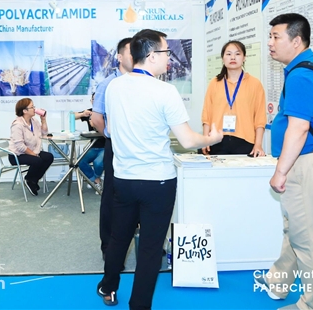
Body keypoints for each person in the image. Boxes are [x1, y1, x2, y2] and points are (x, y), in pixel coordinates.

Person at [97, 29, 223, 308]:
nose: (170, 57)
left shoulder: (114, 86)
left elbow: (110, 130)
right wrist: (212, 139)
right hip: (158, 182)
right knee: (151, 248)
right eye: (167, 52)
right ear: (152, 55)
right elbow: (188, 140)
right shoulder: (165, 91)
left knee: (119, 236)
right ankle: (139, 305)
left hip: (124, 179)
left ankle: (108, 286)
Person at [254, 13, 313, 310]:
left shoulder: (302, 76)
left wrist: (280, 172)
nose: (270, 42)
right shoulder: (311, 67)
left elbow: (299, 128)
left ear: (296, 40)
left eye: (276, 36)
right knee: (296, 229)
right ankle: (278, 282)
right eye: (270, 36)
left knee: (310, 242)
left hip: (306, 166)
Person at [91, 37, 133, 259]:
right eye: (130, 52)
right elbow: (97, 119)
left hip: (137, 147)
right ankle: (108, 247)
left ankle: (141, 240)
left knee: (138, 193)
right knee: (111, 196)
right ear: (119, 56)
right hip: (115, 146)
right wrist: (112, 135)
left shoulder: (143, 82)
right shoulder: (108, 84)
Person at [202, 40, 267, 156]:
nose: (233, 57)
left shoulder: (255, 84)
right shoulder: (214, 83)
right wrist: (205, 139)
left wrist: (258, 144)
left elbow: (260, 118)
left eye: (237, 54)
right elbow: (207, 114)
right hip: (216, 141)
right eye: (228, 54)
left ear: (244, 58)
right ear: (223, 58)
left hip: (245, 142)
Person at [8, 98, 54, 196]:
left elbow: (44, 133)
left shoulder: (34, 121)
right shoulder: (17, 125)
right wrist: (33, 154)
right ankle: (29, 180)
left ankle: (32, 180)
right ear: (25, 111)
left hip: (31, 151)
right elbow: (20, 146)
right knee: (37, 160)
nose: (34, 109)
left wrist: (43, 120)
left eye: (34, 107)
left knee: (49, 157)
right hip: (17, 155)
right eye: (32, 107)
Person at [77, 93, 105, 190]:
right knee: (79, 161)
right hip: (93, 147)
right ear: (91, 101)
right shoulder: (89, 112)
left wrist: (96, 125)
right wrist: (82, 114)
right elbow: (72, 115)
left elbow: (107, 132)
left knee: (98, 163)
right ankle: (96, 180)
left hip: (105, 147)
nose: (95, 101)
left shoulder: (107, 113)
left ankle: (95, 180)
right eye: (93, 99)